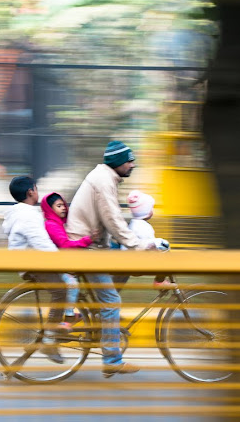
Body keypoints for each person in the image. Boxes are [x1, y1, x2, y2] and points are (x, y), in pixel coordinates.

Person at [66, 140, 156, 378]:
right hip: (87, 251)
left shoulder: (105, 178)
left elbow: (111, 221)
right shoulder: (104, 181)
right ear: (118, 162)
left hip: (95, 246)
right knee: (111, 301)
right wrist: (138, 245)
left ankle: (108, 324)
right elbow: (113, 220)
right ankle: (112, 359)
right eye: (129, 160)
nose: (132, 165)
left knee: (121, 273)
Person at [1, 176, 69, 365]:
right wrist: (63, 261)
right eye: (36, 189)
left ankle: (59, 325)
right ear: (31, 192)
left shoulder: (19, 214)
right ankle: (49, 340)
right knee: (60, 291)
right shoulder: (28, 215)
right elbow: (42, 244)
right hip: (34, 264)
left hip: (28, 262)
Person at [41, 191, 96, 324]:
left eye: (64, 205)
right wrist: (87, 240)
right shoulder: (51, 225)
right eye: (59, 206)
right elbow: (65, 245)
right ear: (49, 209)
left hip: (64, 262)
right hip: (57, 265)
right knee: (72, 285)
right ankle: (69, 315)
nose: (64, 208)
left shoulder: (60, 224)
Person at [123, 190, 171, 287]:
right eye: (151, 208)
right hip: (136, 264)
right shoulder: (143, 227)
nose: (152, 210)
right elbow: (150, 248)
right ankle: (159, 282)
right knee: (164, 246)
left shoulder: (134, 223)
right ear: (146, 211)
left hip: (129, 260)